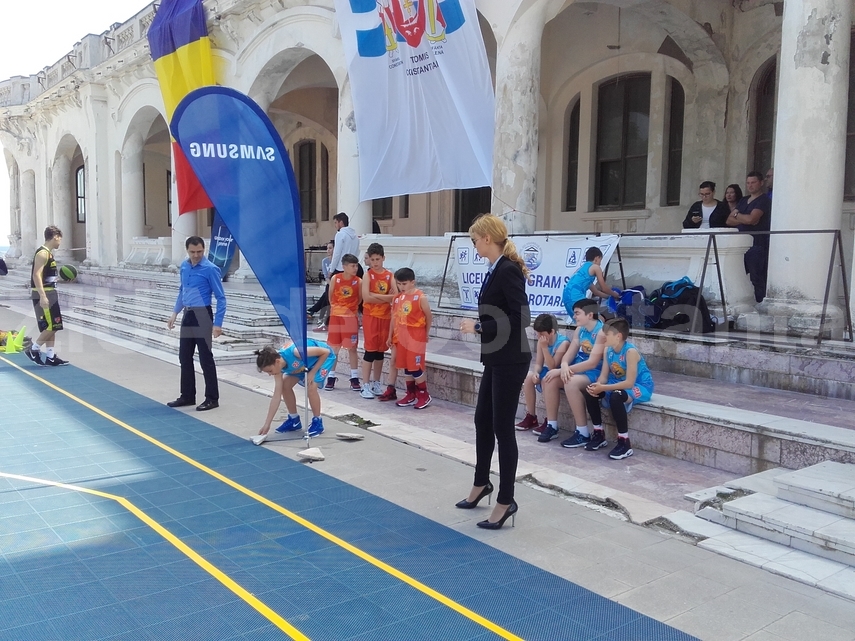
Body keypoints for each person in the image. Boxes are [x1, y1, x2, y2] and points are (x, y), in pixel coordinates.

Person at [458, 215, 531, 530]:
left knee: (503, 429)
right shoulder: (496, 268)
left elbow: (522, 317)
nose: (474, 245)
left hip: (511, 358)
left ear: (487, 238)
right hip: (496, 356)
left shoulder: (508, 270)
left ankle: (506, 500)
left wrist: (478, 326)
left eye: (475, 239)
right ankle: (481, 483)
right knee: (482, 421)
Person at [166, 236, 227, 411]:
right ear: (187, 250)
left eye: (199, 251)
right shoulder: (184, 266)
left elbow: (221, 298)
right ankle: (187, 395)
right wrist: (174, 313)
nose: (196, 255)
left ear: (204, 249)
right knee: (184, 357)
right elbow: (182, 290)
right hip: (188, 314)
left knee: (205, 357)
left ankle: (212, 398)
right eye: (192, 252)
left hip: (203, 315)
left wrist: (218, 324)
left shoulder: (210, 269)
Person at [581, 317, 654, 460]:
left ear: (618, 336)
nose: (603, 338)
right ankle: (598, 433)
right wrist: (598, 386)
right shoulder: (608, 350)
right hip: (618, 382)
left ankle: (624, 442)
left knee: (616, 396)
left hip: (640, 385)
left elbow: (629, 383)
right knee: (589, 390)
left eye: (606, 335)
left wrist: (604, 386)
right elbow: (603, 376)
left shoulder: (630, 352)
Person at [540, 299, 607, 447]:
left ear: (590, 315)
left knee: (570, 382)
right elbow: (569, 354)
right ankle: (552, 425)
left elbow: (593, 362)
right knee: (548, 379)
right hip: (578, 368)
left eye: (577, 313)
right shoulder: (580, 330)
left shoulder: (601, 332)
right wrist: (563, 365)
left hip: (596, 372)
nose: (574, 316)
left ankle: (582, 432)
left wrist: (566, 369)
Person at [250, 341, 334, 445]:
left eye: (270, 371)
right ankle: (294, 420)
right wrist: (267, 424)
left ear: (277, 361)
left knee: (311, 386)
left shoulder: (296, 352)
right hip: (302, 365)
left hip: (322, 359)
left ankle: (318, 421)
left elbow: (325, 352)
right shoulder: (278, 367)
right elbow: (276, 396)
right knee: (284, 386)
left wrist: (312, 372)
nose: (269, 374)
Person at [514, 314, 569, 438]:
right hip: (549, 371)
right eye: (537, 334)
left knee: (547, 380)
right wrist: (536, 372)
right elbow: (539, 363)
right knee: (528, 377)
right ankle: (531, 416)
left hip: (560, 373)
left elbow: (553, 366)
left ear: (552, 332)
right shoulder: (541, 341)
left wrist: (544, 348)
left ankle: (550, 421)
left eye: (541, 334)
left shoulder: (563, 343)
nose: (539, 337)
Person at [24, 225, 69, 366]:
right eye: (60, 239)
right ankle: (33, 349)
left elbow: (46, 277)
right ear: (55, 237)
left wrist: (62, 280)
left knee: (51, 327)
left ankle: (50, 357)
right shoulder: (42, 253)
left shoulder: (49, 253)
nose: (60, 242)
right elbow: (36, 275)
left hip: (50, 292)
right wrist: (43, 296)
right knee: (53, 326)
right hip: (44, 294)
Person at [388, 267, 432, 409]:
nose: (401, 287)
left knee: (415, 367)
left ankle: (424, 394)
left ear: (412, 282)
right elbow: (395, 318)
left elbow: (428, 316)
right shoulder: (399, 298)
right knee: (406, 366)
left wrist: (426, 333)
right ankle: (410, 394)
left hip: (416, 336)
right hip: (402, 336)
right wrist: (390, 336)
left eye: (404, 284)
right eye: (399, 284)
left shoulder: (420, 297)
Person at [360, 243, 398, 399]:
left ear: (383, 258)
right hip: (371, 317)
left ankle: (376, 382)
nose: (375, 262)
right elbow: (366, 297)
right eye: (373, 259)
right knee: (370, 351)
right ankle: (365, 384)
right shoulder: (368, 275)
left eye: (378, 259)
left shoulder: (390, 275)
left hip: (386, 317)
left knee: (380, 352)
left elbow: (396, 296)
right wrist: (385, 298)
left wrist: (377, 296)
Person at [728, 171, 772, 303]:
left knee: (757, 277)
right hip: (741, 244)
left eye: (753, 182)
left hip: (757, 244)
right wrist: (742, 218)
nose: (750, 185)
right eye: (748, 183)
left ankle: (761, 304)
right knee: (738, 275)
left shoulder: (764, 200)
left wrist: (737, 216)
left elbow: (752, 219)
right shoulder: (743, 200)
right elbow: (729, 220)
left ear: (761, 183)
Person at [325, 253, 361, 391]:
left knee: (352, 348)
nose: (355, 268)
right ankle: (331, 376)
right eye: (352, 266)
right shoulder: (336, 278)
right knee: (334, 348)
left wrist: (349, 311)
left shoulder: (358, 281)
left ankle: (354, 377)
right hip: (336, 317)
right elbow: (330, 296)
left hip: (350, 318)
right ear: (344, 266)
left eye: (356, 265)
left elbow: (359, 299)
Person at [561, 247, 619, 316]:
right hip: (576, 297)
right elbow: (604, 288)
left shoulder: (583, 272)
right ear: (597, 258)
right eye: (600, 261)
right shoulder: (595, 267)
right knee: (597, 320)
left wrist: (609, 297)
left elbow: (596, 292)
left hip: (566, 298)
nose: (600, 264)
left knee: (582, 322)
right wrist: (614, 294)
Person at [307, 240, 333, 331]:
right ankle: (315, 313)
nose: (328, 250)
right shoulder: (325, 261)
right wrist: (330, 284)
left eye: (330, 248)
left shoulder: (337, 261)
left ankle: (313, 311)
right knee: (327, 291)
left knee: (327, 292)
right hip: (330, 283)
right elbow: (326, 276)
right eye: (327, 248)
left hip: (336, 284)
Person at [330, 212, 362, 276]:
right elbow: (357, 252)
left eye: (336, 222)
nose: (335, 225)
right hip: (353, 267)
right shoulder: (355, 236)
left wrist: (331, 269)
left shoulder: (340, 234)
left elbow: (337, 253)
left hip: (341, 268)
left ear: (341, 222)